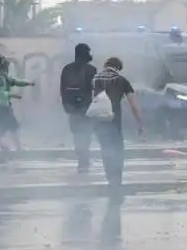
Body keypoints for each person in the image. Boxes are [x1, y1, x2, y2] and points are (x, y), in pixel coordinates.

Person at [91, 57, 144, 188]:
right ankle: (116, 179)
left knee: (105, 148)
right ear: (118, 68)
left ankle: (110, 177)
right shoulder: (122, 81)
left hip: (98, 122)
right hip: (114, 122)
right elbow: (134, 106)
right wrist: (140, 124)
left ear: (105, 65)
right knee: (117, 150)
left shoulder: (94, 79)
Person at [60, 43, 97, 173]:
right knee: (86, 133)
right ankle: (84, 158)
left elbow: (62, 89)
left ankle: (81, 157)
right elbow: (96, 89)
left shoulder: (67, 69)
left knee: (77, 133)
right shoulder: (91, 69)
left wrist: (65, 104)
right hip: (86, 106)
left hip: (71, 107)